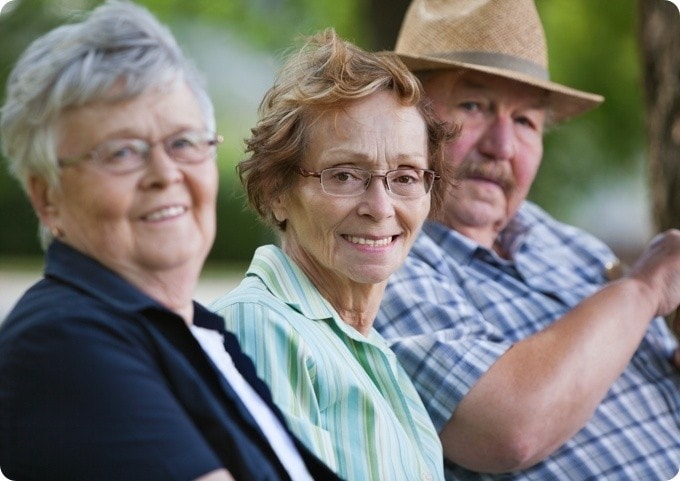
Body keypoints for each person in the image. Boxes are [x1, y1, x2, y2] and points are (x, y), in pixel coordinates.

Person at [0, 2, 344, 480]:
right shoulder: (61, 341)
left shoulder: (198, 333)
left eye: (183, 142)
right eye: (121, 152)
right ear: (47, 197)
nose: (165, 174)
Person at [374, 0, 680, 480]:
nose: (503, 147)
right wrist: (644, 289)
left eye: (526, 121)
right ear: (403, 117)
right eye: (473, 106)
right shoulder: (382, 254)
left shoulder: (570, 245)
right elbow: (508, 432)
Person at [211, 28, 455, 481]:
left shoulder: (368, 349)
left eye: (405, 176)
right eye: (344, 175)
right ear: (275, 192)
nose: (380, 208)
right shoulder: (259, 329)